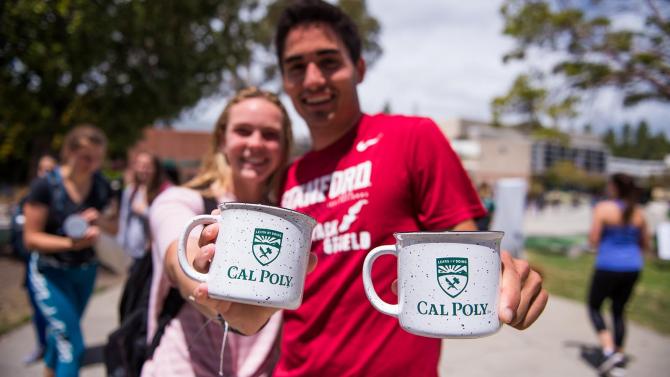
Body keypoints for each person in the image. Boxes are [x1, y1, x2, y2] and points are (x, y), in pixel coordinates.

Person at [189, 1, 548, 375]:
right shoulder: (286, 177)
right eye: (297, 67)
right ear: (285, 82)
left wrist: (509, 279)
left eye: (329, 62)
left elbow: (470, 249)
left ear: (358, 68)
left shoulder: (412, 138)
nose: (313, 79)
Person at [140, 87, 293, 377]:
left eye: (270, 135)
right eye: (243, 131)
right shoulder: (182, 201)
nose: (256, 144)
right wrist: (214, 296)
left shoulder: (290, 221)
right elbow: (176, 257)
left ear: (284, 146)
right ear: (223, 140)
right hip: (183, 366)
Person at [23, 125, 118, 377]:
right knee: (72, 346)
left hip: (85, 273)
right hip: (50, 273)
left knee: (60, 336)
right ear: (70, 152)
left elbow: (114, 226)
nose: (92, 164)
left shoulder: (100, 185)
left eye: (97, 158)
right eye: (86, 157)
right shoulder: (45, 186)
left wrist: (99, 220)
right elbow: (30, 238)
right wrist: (69, 244)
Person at [587, 173, 650, 376]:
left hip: (608, 265)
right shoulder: (638, 213)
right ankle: (619, 355)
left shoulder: (603, 209)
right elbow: (645, 244)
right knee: (618, 311)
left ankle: (608, 350)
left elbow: (594, 239)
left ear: (614, 187)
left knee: (594, 306)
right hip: (632, 266)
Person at [9, 154, 57, 364]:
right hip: (31, 262)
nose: (45, 174)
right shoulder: (26, 200)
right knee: (36, 309)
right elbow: (18, 231)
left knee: (54, 311)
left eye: (51, 170)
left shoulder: (60, 202)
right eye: (42, 169)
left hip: (53, 264)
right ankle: (42, 346)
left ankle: (54, 351)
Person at [117, 151, 170, 266]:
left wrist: (145, 211)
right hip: (132, 251)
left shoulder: (164, 192)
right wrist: (121, 243)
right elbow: (124, 217)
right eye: (139, 165)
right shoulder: (131, 191)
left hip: (153, 253)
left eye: (147, 166)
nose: (143, 169)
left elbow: (167, 220)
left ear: (156, 169)